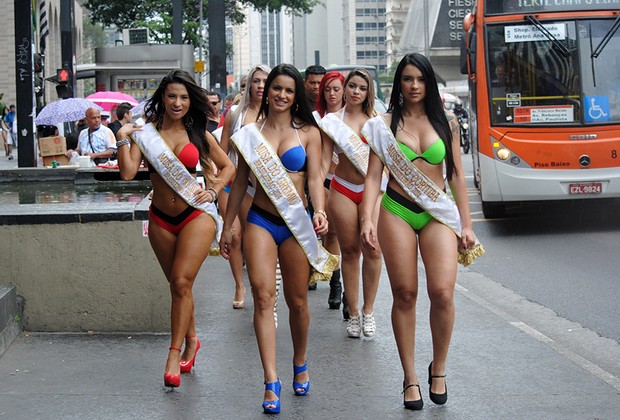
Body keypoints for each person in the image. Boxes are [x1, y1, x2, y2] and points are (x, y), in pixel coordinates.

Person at [359, 53, 479, 410]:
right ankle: (409, 377)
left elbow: (456, 176)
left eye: (421, 79)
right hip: (396, 209)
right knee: (405, 293)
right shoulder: (384, 124)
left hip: (436, 212)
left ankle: (438, 368)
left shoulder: (447, 123)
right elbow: (373, 177)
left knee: (442, 292)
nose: (414, 86)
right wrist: (367, 219)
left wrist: (467, 224)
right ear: (399, 83)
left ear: (430, 83)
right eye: (408, 79)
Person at [220, 63, 335, 414]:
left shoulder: (308, 132)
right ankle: (271, 380)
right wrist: (227, 225)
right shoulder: (250, 133)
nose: (282, 95)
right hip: (260, 220)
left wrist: (320, 210)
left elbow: (314, 178)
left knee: (297, 301)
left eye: (288, 90)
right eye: (276, 88)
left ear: (295, 94)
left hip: (295, 223)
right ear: (266, 91)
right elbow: (240, 181)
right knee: (263, 297)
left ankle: (299, 360)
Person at [115, 69, 235, 388]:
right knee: (179, 286)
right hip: (160, 219)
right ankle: (192, 340)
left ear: (190, 100)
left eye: (183, 97)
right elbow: (127, 172)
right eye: (171, 96)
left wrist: (213, 190)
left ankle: (173, 353)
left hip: (195, 215)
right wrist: (121, 136)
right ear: (163, 98)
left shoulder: (199, 133)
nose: (177, 103)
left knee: (181, 281)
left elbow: (228, 167)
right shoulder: (147, 133)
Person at [319, 68, 382, 338]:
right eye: (352, 86)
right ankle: (353, 313)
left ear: (369, 92)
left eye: (362, 88)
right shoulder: (332, 122)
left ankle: (369, 310)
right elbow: (324, 161)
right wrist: (315, 195)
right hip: (343, 188)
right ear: (345, 89)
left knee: (373, 249)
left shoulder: (378, 121)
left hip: (372, 191)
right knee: (350, 250)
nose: (356, 91)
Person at [219, 65, 270, 310]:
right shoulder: (234, 114)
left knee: (253, 238)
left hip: (261, 188)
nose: (260, 86)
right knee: (234, 236)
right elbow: (222, 152)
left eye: (265, 81)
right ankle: (239, 285)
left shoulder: (276, 115)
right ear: (249, 85)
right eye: (256, 81)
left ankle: (260, 286)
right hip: (232, 184)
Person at [314, 71, 345, 309]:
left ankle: (347, 288)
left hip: (346, 182)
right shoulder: (316, 119)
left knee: (349, 239)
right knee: (330, 234)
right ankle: (336, 283)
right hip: (323, 181)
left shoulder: (352, 118)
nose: (332, 94)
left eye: (336, 89)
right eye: (327, 89)